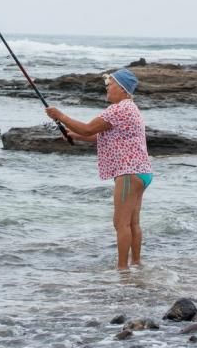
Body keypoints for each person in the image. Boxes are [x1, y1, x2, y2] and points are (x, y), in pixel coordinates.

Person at [45, 68, 153, 270]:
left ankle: (122, 270)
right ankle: (136, 264)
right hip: (142, 172)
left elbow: (87, 128)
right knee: (133, 222)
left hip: (128, 172)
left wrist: (60, 114)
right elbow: (98, 135)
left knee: (120, 223)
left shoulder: (118, 109)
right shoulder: (131, 109)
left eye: (109, 85)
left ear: (122, 88)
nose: (107, 88)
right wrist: (75, 135)